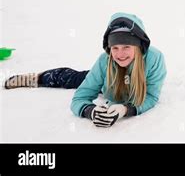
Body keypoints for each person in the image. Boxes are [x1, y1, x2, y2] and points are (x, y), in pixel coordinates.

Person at [3, 12, 167, 128]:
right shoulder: (105, 62)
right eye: (115, 47)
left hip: (129, 89)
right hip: (107, 84)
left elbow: (151, 96)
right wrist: (90, 111)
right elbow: (79, 98)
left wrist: (126, 109)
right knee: (72, 78)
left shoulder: (154, 59)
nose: (120, 54)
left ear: (138, 47)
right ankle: (38, 78)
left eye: (126, 47)